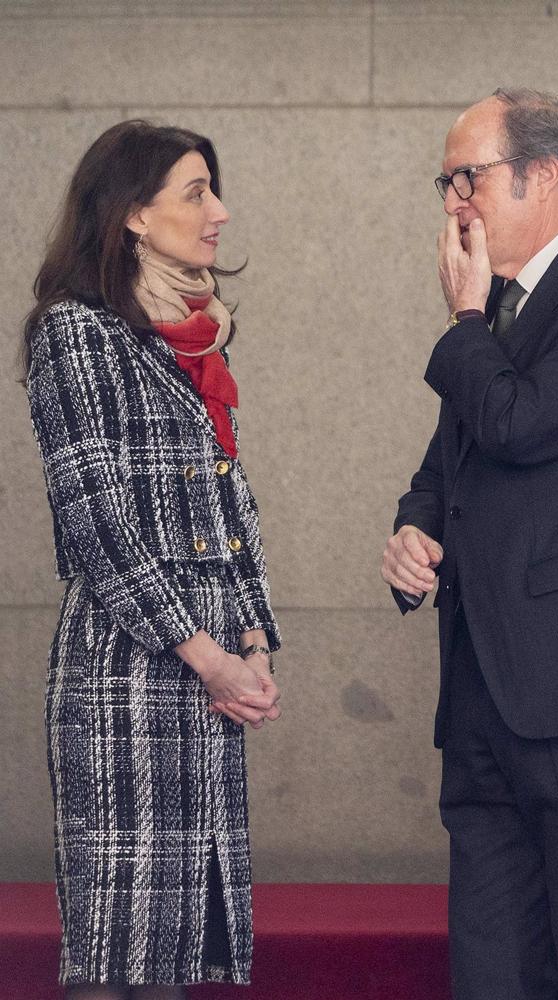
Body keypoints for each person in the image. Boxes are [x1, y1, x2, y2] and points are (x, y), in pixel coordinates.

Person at [381, 88, 558, 1000]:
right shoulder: (499, 306)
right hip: (480, 688)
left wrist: (464, 321)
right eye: (446, 183)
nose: (454, 201)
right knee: (490, 960)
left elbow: (520, 424)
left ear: (542, 175)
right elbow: (448, 462)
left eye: (468, 177)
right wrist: (414, 526)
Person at [24, 120, 282, 999]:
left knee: (172, 957)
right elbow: (96, 524)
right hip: (124, 675)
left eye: (214, 190)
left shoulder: (197, 338)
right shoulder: (76, 333)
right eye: (195, 192)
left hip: (206, 677)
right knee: (113, 953)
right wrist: (210, 659)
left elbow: (230, 506)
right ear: (133, 213)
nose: (220, 212)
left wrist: (253, 644)